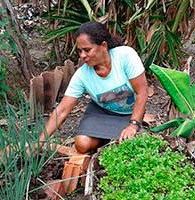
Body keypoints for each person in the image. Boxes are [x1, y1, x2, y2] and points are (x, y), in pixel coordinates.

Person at [37, 21, 148, 154]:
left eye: (87, 50)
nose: (82, 56)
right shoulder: (82, 75)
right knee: (82, 144)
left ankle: (115, 137)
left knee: (130, 146)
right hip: (102, 112)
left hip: (131, 113)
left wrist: (133, 125)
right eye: (80, 51)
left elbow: (142, 92)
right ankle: (107, 140)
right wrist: (39, 143)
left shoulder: (125, 56)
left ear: (103, 46)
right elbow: (61, 111)